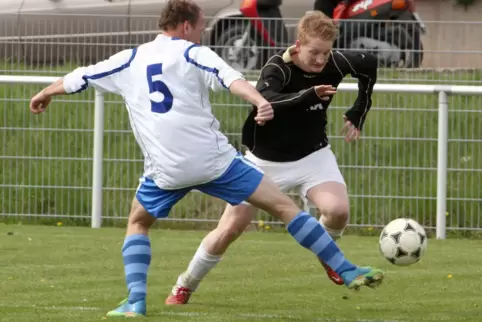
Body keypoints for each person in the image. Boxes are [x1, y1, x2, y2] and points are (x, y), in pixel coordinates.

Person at [29, 1, 383, 317]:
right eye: (200, 27)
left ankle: (136, 301)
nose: (201, 34)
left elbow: (80, 78)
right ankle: (346, 268)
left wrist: (45, 92)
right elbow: (231, 79)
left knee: (138, 222)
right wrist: (258, 101)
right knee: (285, 207)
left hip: (165, 169)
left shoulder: (129, 59)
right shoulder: (192, 53)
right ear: (186, 26)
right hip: (215, 161)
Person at [165, 10, 378, 305]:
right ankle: (184, 285)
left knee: (338, 211)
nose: (320, 60)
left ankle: (331, 262)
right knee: (228, 230)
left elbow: (369, 65)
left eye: (325, 53)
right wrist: (309, 95)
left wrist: (359, 110)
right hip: (263, 162)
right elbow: (269, 100)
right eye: (314, 52)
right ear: (299, 44)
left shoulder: (336, 61)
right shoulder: (277, 67)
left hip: (313, 154)